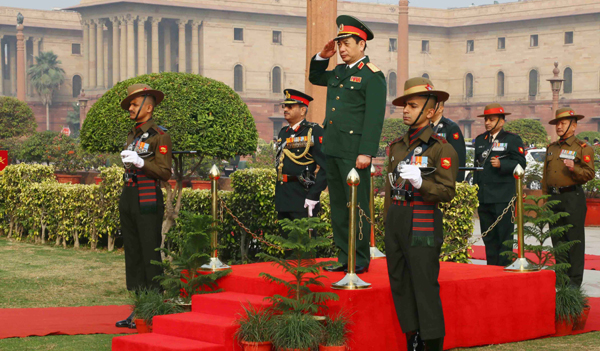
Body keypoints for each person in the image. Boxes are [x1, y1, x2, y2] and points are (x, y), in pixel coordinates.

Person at [384, 77, 457, 351]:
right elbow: (389, 190)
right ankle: (412, 339)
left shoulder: (441, 148)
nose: (405, 110)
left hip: (422, 222)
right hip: (397, 221)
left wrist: (421, 183)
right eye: (404, 105)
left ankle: (432, 343)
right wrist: (387, 223)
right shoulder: (397, 146)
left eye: (412, 105)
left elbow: (447, 191)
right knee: (400, 284)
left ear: (429, 111)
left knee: (424, 287)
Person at [309, 15, 386, 274]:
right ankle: (344, 255)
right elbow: (315, 77)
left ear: (361, 45)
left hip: (354, 153)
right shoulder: (339, 72)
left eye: (346, 44)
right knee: (339, 207)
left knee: (358, 205)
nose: (341, 49)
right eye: (339, 44)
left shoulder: (372, 76)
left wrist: (366, 151)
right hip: (333, 148)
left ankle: (360, 257)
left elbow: (374, 118)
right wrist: (323, 55)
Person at [116, 84, 173, 328]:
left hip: (148, 197)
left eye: (134, 104)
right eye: (130, 104)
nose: (130, 108)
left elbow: (164, 171)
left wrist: (140, 162)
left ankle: (154, 307)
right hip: (129, 196)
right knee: (133, 253)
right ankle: (139, 308)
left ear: (148, 108)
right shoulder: (133, 133)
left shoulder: (160, 134)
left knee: (150, 253)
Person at [542, 107, 595, 287]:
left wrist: (574, 168)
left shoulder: (582, 148)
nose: (559, 126)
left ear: (573, 126)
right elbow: (545, 176)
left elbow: (589, 173)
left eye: (563, 123)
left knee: (573, 240)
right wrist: (545, 199)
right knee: (558, 239)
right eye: (557, 123)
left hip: (572, 197)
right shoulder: (552, 147)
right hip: (554, 198)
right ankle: (561, 278)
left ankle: (574, 282)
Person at [473, 103, 526, 266]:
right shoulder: (481, 140)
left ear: (502, 121)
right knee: (488, 238)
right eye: (486, 119)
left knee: (504, 238)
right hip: (484, 196)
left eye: (492, 119)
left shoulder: (511, 139)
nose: (488, 122)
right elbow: (477, 166)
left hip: (503, 197)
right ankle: (491, 270)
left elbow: (521, 163)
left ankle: (503, 271)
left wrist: (503, 165)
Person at [275, 89, 327, 231]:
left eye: (290, 106)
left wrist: (314, 195)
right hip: (283, 196)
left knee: (305, 246)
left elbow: (326, 167)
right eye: (284, 106)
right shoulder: (283, 132)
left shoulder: (314, 131)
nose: (285, 109)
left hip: (303, 197)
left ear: (303, 110)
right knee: (286, 245)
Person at [430, 101, 466, 181]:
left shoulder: (450, 127)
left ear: (440, 109)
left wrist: (457, 182)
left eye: (432, 106)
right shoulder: (425, 126)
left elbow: (458, 156)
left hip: (444, 178)